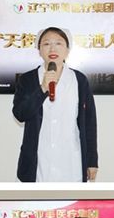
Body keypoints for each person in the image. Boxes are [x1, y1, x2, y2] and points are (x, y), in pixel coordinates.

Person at [12, 26, 98, 182]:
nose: (52, 48)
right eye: (46, 44)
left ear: (67, 50)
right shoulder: (27, 79)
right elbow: (20, 114)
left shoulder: (79, 80)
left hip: (71, 160)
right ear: (39, 50)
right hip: (38, 162)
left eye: (58, 43)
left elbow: (89, 122)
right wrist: (42, 88)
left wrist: (92, 160)